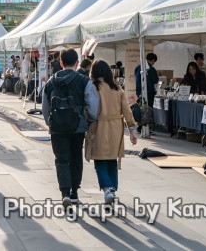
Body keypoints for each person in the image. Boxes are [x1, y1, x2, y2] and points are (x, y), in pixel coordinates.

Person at [44, 48, 99, 207]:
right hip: (78, 126)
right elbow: (92, 104)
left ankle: (65, 192)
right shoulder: (83, 81)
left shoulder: (51, 81)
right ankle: (74, 191)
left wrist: (50, 123)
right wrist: (90, 119)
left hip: (57, 128)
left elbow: (45, 106)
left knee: (61, 159)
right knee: (75, 157)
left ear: (60, 63)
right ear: (77, 63)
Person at [84, 60, 137, 205]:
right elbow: (127, 110)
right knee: (112, 160)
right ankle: (112, 189)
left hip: (99, 127)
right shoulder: (117, 88)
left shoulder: (93, 87)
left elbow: (89, 108)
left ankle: (107, 190)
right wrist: (132, 130)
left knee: (100, 161)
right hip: (116, 128)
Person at [134, 53, 158, 139]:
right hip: (149, 92)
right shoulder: (151, 69)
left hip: (141, 92)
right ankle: (144, 127)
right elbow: (155, 80)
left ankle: (141, 127)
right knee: (147, 110)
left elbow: (137, 81)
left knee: (142, 109)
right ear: (152, 60)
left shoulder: (138, 67)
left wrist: (138, 92)